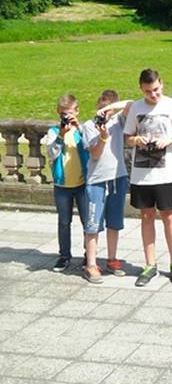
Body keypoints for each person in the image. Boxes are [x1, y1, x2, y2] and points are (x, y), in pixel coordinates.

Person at [123, 69, 172, 287]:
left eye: (156, 90)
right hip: (141, 174)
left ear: (162, 84)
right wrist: (137, 140)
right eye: (148, 92)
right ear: (141, 89)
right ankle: (150, 264)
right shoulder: (136, 107)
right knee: (146, 216)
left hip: (165, 173)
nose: (153, 95)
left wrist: (169, 141)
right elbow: (128, 137)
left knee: (169, 216)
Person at [80, 90, 132, 283]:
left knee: (114, 222)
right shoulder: (88, 126)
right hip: (97, 180)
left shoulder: (118, 121)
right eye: (101, 108)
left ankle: (112, 258)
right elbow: (94, 155)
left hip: (118, 177)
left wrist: (112, 109)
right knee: (92, 224)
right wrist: (102, 137)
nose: (104, 113)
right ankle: (91, 264)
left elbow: (132, 104)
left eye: (107, 109)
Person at [45, 94, 89, 272]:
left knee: (87, 222)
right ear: (58, 112)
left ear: (76, 111)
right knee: (64, 222)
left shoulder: (82, 130)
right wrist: (61, 137)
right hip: (62, 185)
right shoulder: (53, 132)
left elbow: (92, 146)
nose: (66, 117)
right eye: (63, 114)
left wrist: (79, 128)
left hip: (83, 184)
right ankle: (64, 255)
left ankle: (89, 254)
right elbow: (51, 154)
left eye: (69, 113)